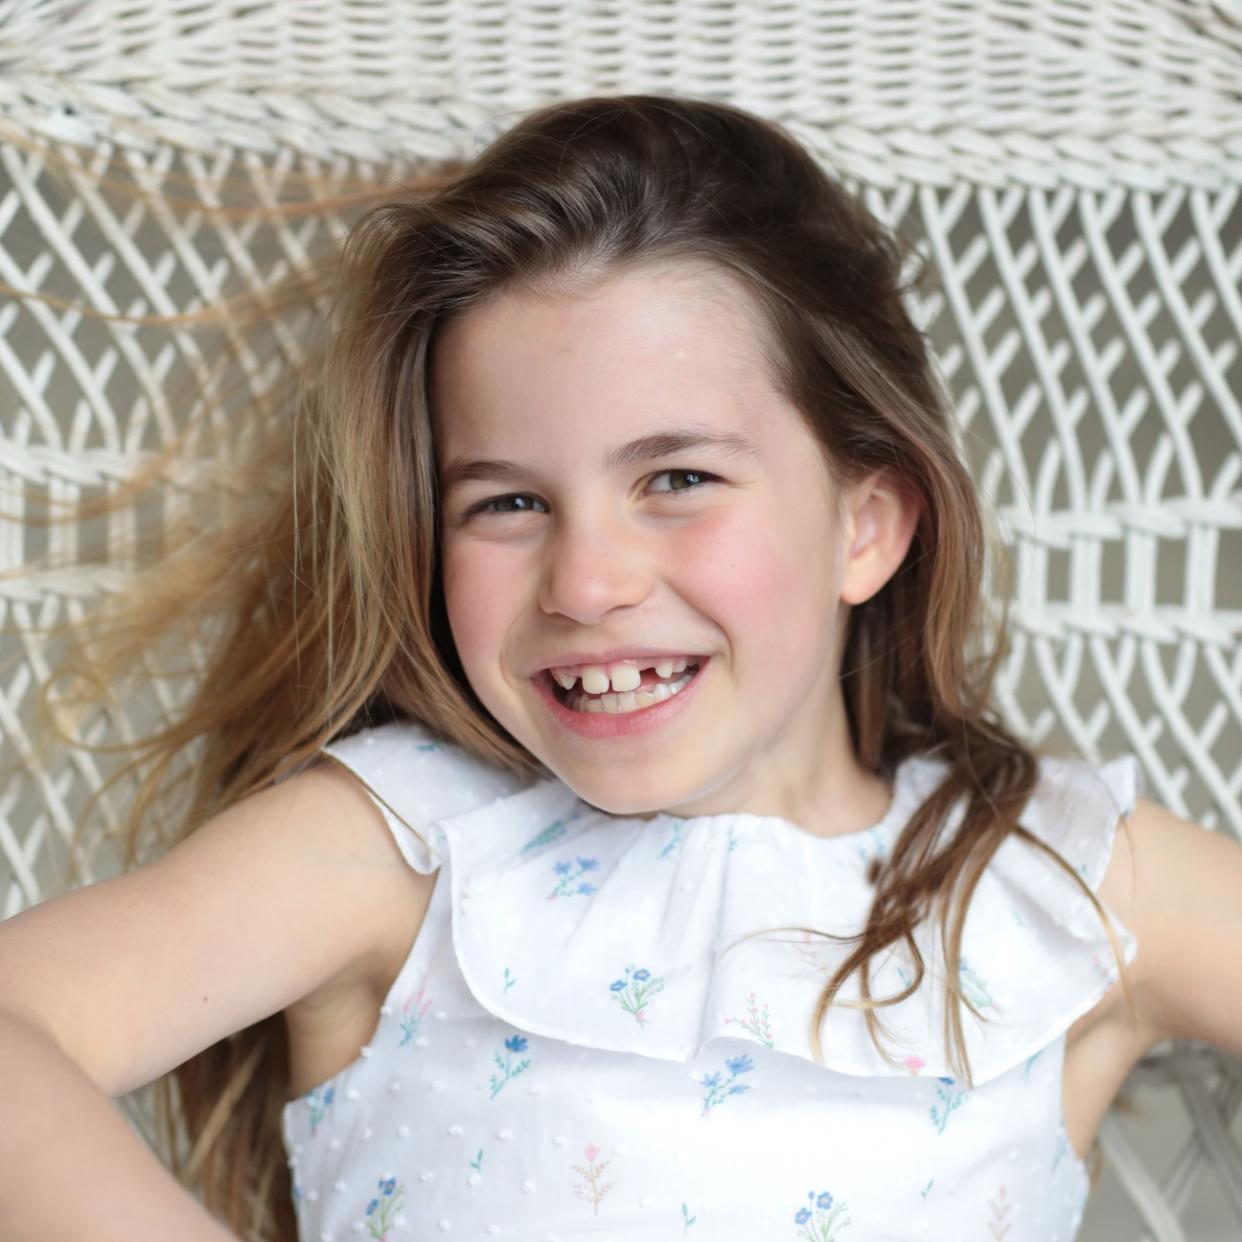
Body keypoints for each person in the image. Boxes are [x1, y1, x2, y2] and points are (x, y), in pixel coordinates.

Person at [0, 93, 1238, 1242]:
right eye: (507, 503)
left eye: (678, 480)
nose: (587, 583)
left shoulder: (1061, 886)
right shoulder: (408, 853)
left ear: (867, 524)